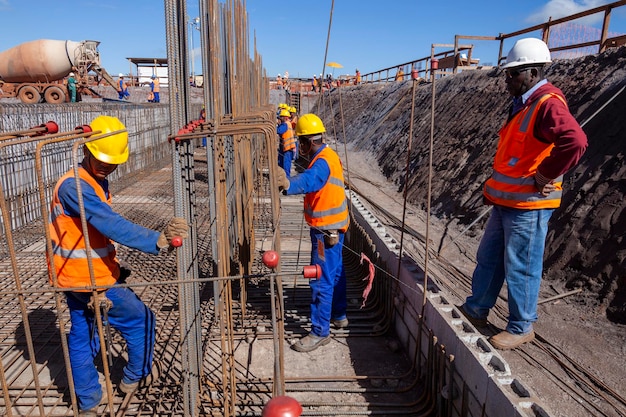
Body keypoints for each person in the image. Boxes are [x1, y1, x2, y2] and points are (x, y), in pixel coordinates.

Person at [47, 115, 189, 415]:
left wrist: (114, 262)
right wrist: (157, 239)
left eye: (112, 162)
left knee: (83, 331)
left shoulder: (91, 179)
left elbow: (90, 233)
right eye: (101, 159)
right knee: (141, 320)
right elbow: (109, 223)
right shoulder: (76, 187)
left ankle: (86, 400)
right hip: (91, 279)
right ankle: (132, 379)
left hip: (72, 275)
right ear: (86, 150)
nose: (106, 166)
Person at [460, 38, 588, 350]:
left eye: (512, 74)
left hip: (529, 205)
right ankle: (477, 308)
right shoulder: (526, 104)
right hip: (508, 201)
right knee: (489, 259)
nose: (507, 80)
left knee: (521, 265)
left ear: (531, 72)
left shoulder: (548, 105)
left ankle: (521, 326)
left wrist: (545, 175)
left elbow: (575, 141)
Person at [275, 113, 350, 353]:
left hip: (326, 232)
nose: (300, 147)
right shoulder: (327, 155)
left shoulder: (321, 162)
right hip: (335, 227)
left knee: (321, 280)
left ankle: (320, 331)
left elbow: (310, 180)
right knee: (336, 273)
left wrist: (287, 184)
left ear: (308, 142)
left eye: (301, 143)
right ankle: (339, 315)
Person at [276, 108, 296, 178]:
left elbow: (279, 131)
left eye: (281, 117)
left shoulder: (285, 124)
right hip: (286, 148)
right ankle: (283, 180)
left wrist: (277, 125)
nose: (280, 119)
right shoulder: (287, 123)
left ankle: (287, 183)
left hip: (288, 149)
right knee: (281, 164)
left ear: (285, 117)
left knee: (286, 167)